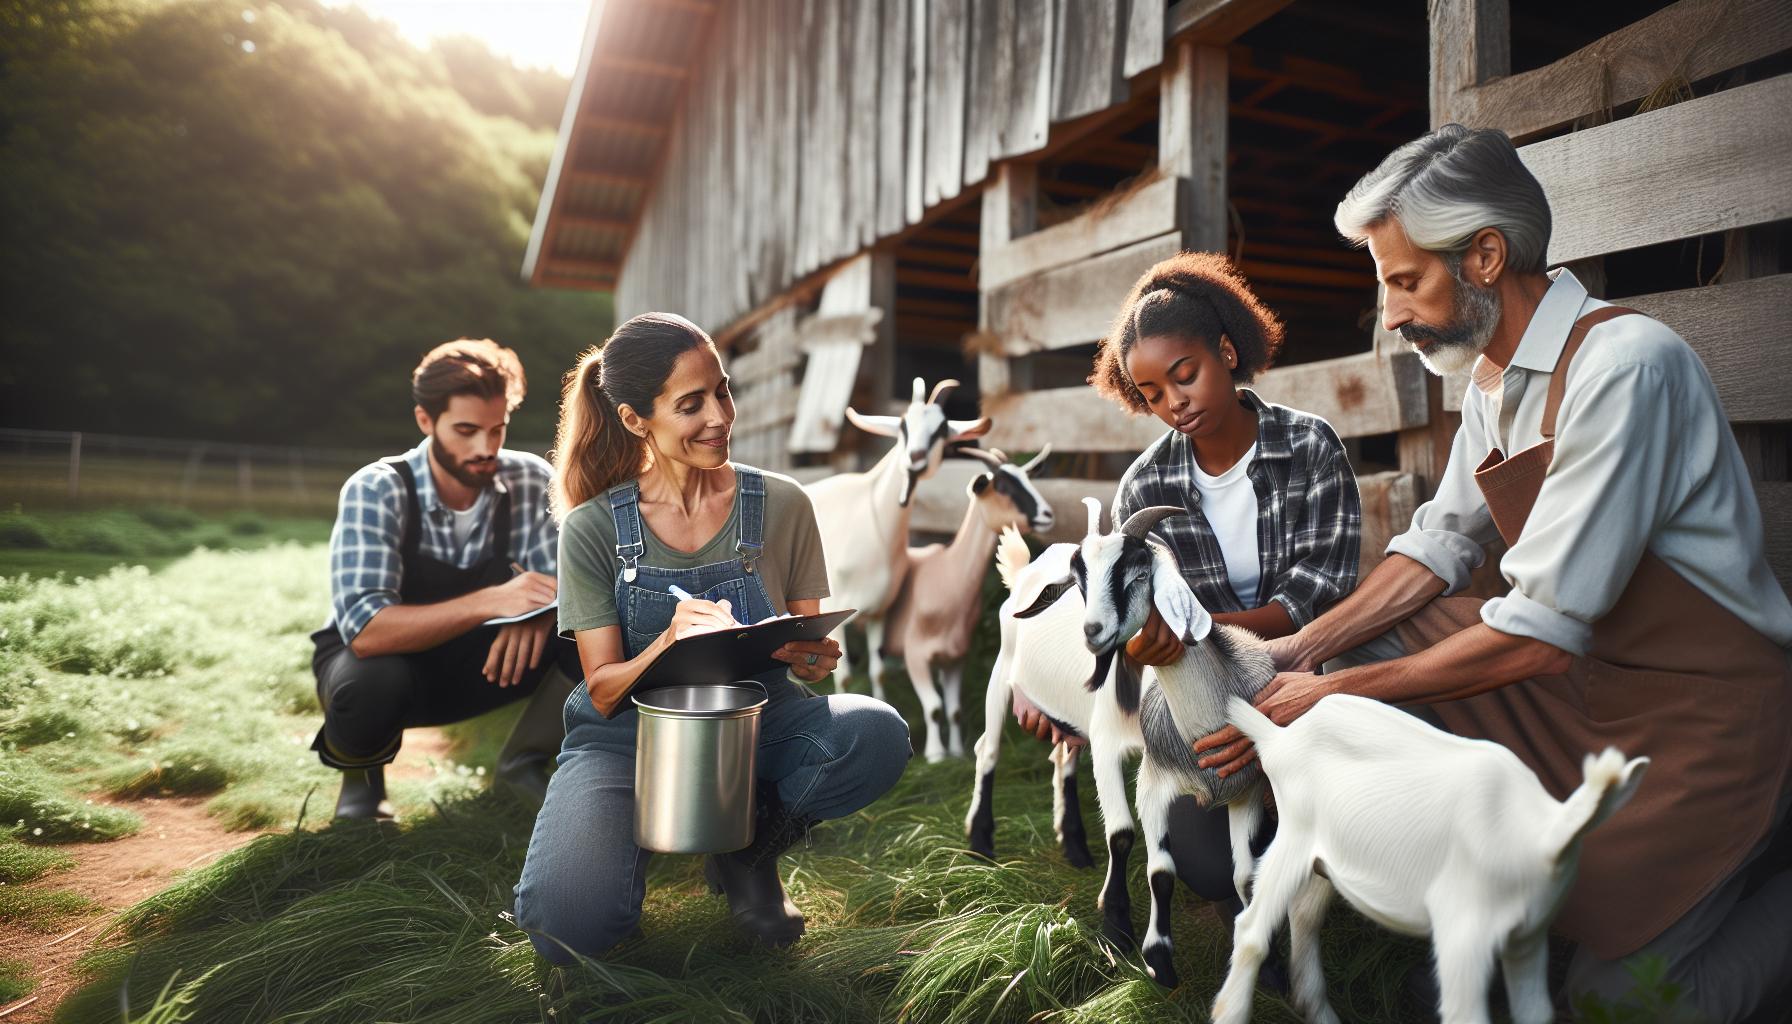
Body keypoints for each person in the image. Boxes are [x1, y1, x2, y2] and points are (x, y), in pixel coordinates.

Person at [1193, 125, 1792, 1021]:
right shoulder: (1491, 381)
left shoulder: (1626, 368)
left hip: (1705, 722)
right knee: (1371, 648)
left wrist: (1339, 691)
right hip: (1588, 691)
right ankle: (1376, 864)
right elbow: (1438, 547)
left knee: (1611, 1002)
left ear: (1483, 255)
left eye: (1405, 281)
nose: (1390, 315)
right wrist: (1301, 657)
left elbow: (1544, 631)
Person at [513, 312, 911, 962]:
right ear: (637, 419)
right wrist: (668, 642)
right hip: (625, 745)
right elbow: (604, 691)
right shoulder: (592, 529)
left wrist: (812, 659)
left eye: (721, 391)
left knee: (875, 733)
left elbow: (805, 649)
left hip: (758, 725)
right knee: (568, 925)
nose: (719, 416)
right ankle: (618, 859)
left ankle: (748, 852)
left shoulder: (783, 504)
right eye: (691, 404)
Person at [1016, 251, 1362, 959]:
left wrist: (1198, 635)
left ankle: (1318, 824)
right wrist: (1115, 672)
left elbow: (1318, 593)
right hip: (1201, 700)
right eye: (1151, 392)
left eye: (1186, 374)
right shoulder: (1144, 489)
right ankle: (1268, 824)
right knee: (1205, 866)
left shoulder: (1308, 446)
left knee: (1344, 826)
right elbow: (1130, 620)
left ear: (1226, 352)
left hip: (1303, 671)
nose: (1174, 401)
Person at [310, 339, 579, 819]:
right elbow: (369, 632)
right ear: (424, 421)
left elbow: (567, 586)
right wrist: (493, 602)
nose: (485, 448)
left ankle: (522, 766)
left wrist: (540, 616)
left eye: (497, 430)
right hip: (387, 667)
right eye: (466, 430)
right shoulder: (377, 488)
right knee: (369, 684)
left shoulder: (527, 478)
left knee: (585, 637)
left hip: (487, 660)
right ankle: (362, 781)